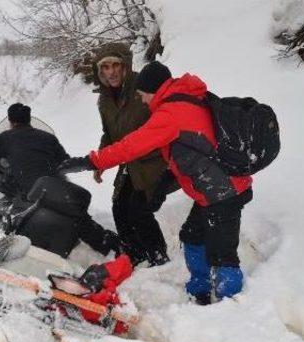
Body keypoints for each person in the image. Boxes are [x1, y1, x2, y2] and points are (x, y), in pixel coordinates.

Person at [58, 61, 253, 305]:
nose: (141, 99)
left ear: (152, 90)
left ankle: (231, 307)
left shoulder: (170, 112)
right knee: (192, 236)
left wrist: (91, 161)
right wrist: (162, 185)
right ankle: (199, 291)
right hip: (212, 190)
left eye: (141, 94)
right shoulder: (184, 99)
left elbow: (130, 146)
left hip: (224, 191)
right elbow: (189, 152)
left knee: (223, 255)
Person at [0, 103, 121, 258]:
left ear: (11, 122)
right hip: (54, 191)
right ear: (29, 119)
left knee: (8, 218)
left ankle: (4, 251)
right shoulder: (48, 138)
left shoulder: (5, 138)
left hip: (27, 194)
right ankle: (116, 248)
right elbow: (64, 161)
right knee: (82, 221)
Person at [91, 43, 170, 267]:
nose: (111, 71)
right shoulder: (104, 99)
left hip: (154, 159)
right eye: (105, 67)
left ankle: (158, 258)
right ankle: (135, 256)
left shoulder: (142, 86)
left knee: (138, 210)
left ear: (125, 65)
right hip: (130, 161)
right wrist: (101, 160)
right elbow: (109, 133)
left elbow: (165, 118)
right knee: (119, 207)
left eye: (116, 65)